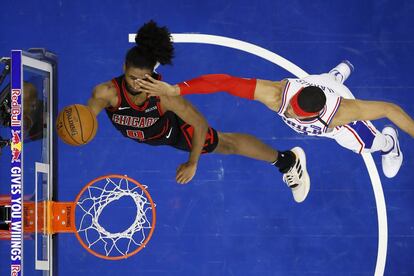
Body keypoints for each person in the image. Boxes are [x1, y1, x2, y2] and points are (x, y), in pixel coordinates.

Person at [87, 20, 311, 203]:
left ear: (152, 75)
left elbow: (199, 124)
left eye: (142, 79)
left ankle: (288, 160)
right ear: (123, 67)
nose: (136, 84)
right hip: (152, 134)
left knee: (226, 144)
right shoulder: (106, 93)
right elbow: (87, 118)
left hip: (173, 131)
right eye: (132, 77)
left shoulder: (163, 97)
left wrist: (192, 162)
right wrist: (80, 128)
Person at [136, 61, 414, 178]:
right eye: (291, 108)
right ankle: (334, 77)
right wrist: (177, 89)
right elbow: (223, 82)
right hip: (314, 86)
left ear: (314, 115)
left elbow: (391, 109)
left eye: (295, 113)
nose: (289, 112)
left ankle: (390, 144)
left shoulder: (343, 113)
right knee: (318, 81)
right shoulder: (277, 94)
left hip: (339, 119)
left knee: (364, 145)